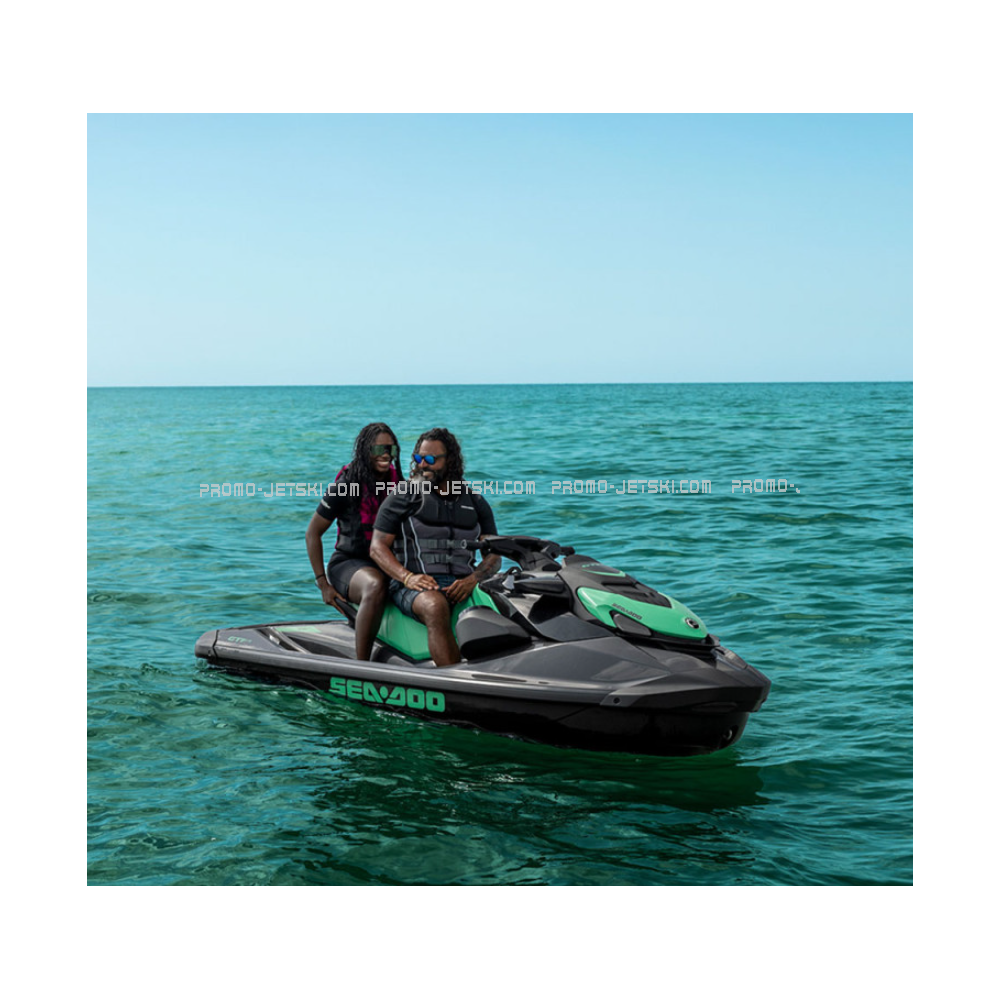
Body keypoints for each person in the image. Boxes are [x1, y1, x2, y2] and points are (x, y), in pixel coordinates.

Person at [370, 427, 500, 666]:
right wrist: (408, 577)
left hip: (463, 583)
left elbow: (494, 555)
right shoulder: (403, 496)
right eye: (418, 458)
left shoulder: (475, 501)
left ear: (450, 460)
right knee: (435, 606)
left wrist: (473, 579)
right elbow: (377, 548)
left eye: (430, 459)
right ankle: (453, 681)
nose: (422, 465)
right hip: (412, 586)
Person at [306, 422, 403, 660]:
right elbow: (312, 533)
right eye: (379, 449)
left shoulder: (400, 484)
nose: (386, 455)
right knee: (375, 585)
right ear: (365, 451)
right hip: (349, 563)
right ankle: (363, 665)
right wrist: (323, 584)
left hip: (387, 561)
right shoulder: (345, 486)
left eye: (391, 449)